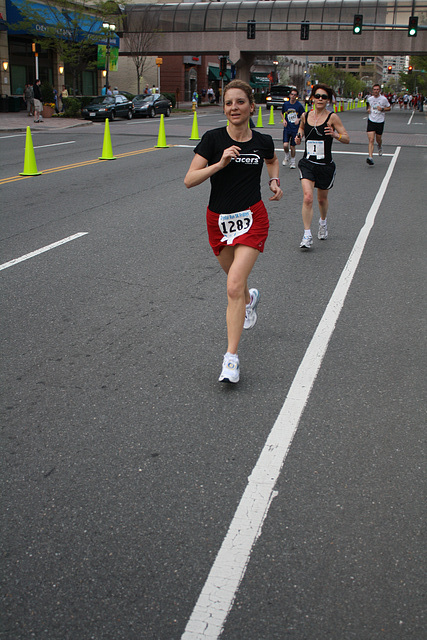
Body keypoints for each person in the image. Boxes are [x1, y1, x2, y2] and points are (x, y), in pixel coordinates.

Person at [184, 79, 283, 383]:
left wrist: (273, 180)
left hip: (253, 218)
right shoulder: (213, 140)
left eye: (240, 102)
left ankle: (231, 359)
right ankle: (250, 300)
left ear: (252, 106)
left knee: (232, 286)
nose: (233, 108)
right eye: (228, 103)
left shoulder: (263, 140)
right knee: (236, 283)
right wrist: (220, 163)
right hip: (219, 221)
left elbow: (272, 160)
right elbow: (189, 179)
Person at [294, 83, 349, 250]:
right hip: (308, 163)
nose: (320, 99)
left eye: (324, 97)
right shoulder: (305, 115)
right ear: (312, 98)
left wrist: (335, 134)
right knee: (308, 197)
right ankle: (307, 235)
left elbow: (347, 138)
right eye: (317, 96)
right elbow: (301, 128)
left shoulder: (332, 117)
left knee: (321, 199)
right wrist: (299, 136)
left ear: (328, 100)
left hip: (325, 164)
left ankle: (323, 222)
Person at [365, 84, 390, 166]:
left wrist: (382, 109)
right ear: (372, 90)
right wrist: (368, 109)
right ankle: (370, 157)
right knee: (371, 139)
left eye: (377, 89)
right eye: (374, 89)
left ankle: (379, 146)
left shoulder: (383, 99)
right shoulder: (370, 99)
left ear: (379, 90)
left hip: (380, 121)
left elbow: (389, 108)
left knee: (378, 139)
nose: (376, 91)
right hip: (371, 120)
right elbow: (368, 106)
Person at [281, 88, 305, 169]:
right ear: (289, 95)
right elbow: (282, 112)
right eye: (292, 94)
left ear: (297, 96)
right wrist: (284, 120)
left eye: (295, 95)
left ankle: (293, 161)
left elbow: (303, 114)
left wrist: (299, 119)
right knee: (285, 145)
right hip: (287, 128)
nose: (293, 96)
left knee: (292, 146)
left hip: (295, 128)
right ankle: (287, 156)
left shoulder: (298, 105)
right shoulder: (286, 104)